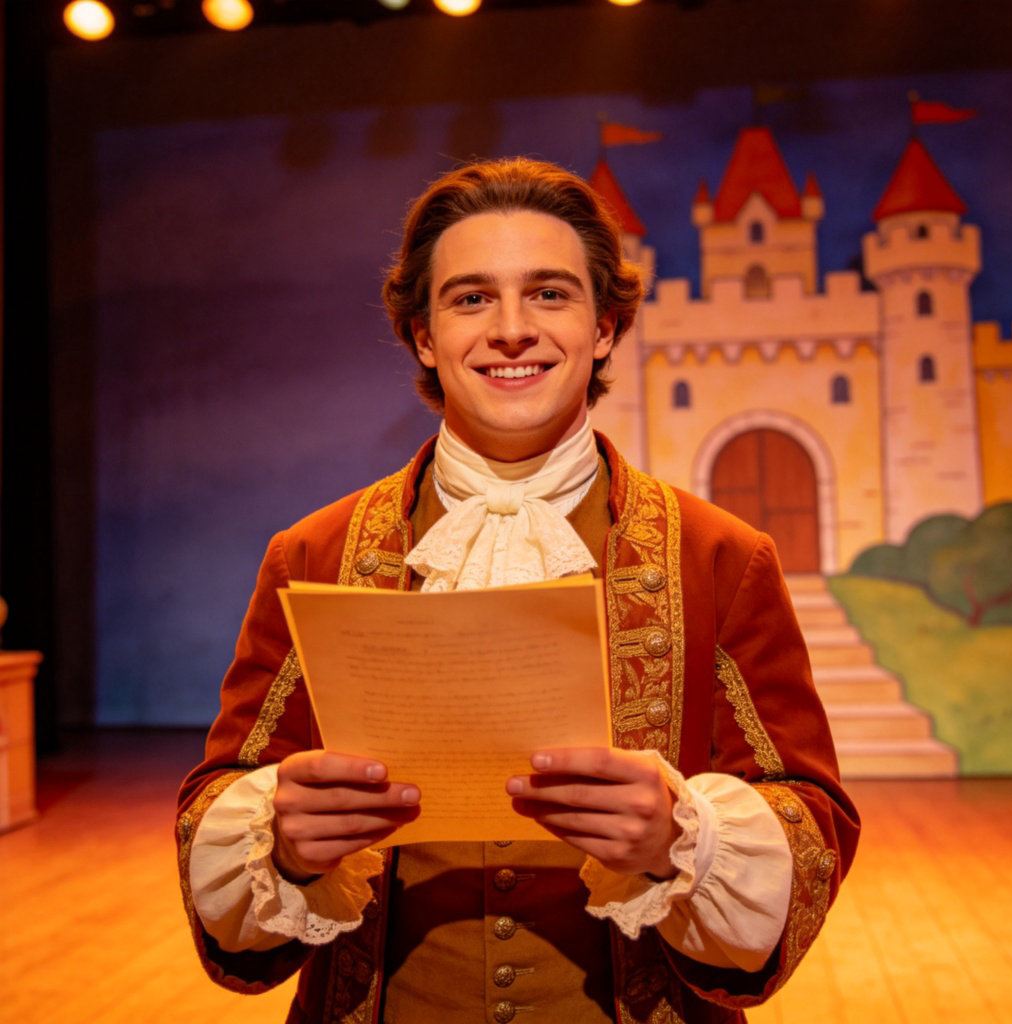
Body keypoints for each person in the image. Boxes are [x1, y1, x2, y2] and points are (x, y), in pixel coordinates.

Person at [177, 157, 859, 1024]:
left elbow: (810, 818)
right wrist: (281, 844)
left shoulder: (722, 556)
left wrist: (681, 839)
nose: (511, 330)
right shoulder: (312, 553)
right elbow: (217, 799)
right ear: (424, 336)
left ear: (604, 327)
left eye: (549, 294)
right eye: (471, 298)